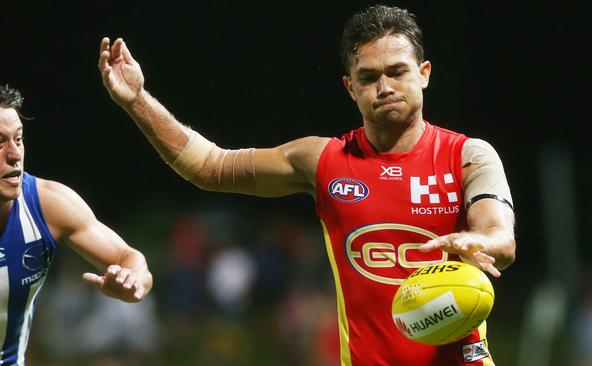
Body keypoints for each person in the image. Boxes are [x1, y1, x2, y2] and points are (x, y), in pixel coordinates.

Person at [99, 4, 515, 365]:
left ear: (423, 74)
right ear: (350, 87)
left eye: (397, 72)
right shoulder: (323, 160)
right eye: (369, 77)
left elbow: (500, 236)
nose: (384, 87)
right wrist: (137, 101)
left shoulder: (468, 156)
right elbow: (209, 165)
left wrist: (478, 242)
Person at [0, 84, 153, 365]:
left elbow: (129, 258)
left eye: (18, 139)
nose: (14, 154)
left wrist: (133, 283)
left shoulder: (47, 205)